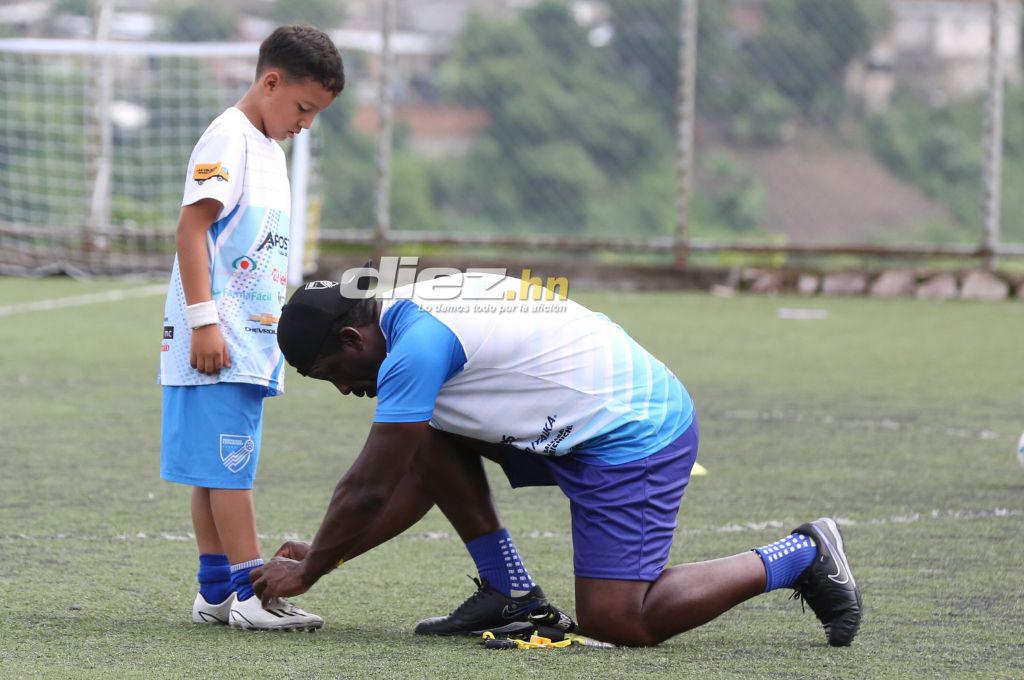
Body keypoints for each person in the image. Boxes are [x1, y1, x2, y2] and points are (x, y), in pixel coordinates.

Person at [251, 269, 863, 646]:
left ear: (354, 338)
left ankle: (801, 554)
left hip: (633, 432)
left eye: (333, 373)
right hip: (578, 414)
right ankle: (511, 592)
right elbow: (412, 478)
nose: (343, 389)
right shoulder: (400, 315)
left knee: (621, 621)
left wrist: (314, 568)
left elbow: (370, 488)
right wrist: (329, 550)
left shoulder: (416, 350)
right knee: (423, 435)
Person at [158, 25, 344, 631]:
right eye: (303, 108)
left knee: (212, 470)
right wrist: (204, 324)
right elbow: (191, 230)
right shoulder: (228, 138)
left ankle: (214, 592)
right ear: (270, 82)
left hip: (247, 340)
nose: (306, 123)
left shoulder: (268, 148)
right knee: (231, 468)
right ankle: (248, 591)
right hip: (220, 340)